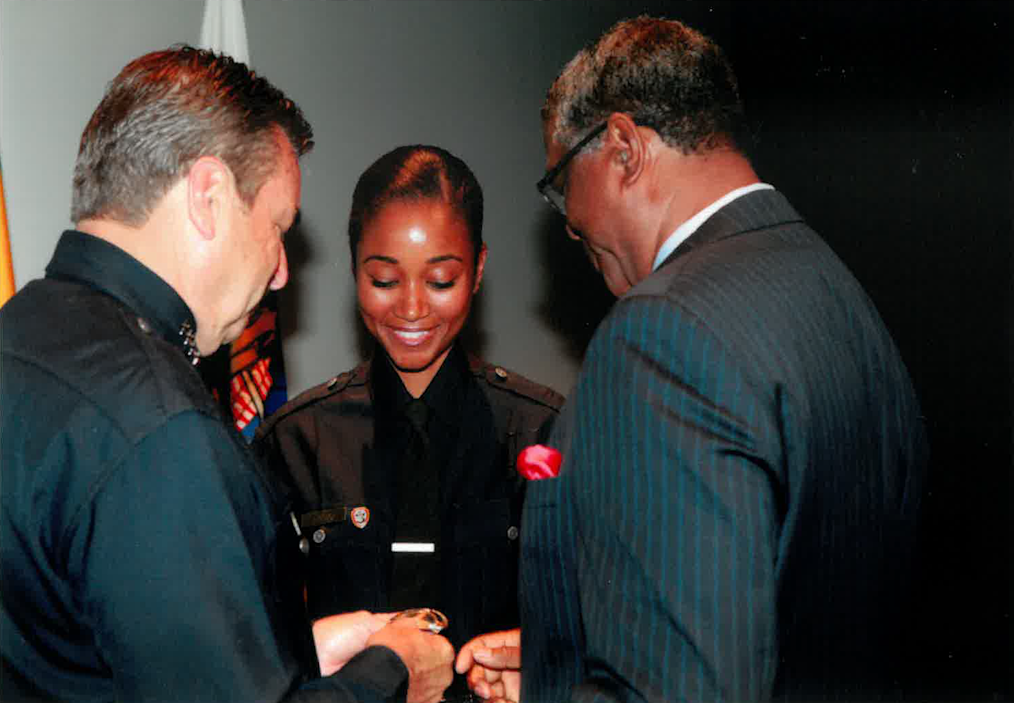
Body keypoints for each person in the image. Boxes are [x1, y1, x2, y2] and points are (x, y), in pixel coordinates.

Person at [456, 15, 929, 703]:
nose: (569, 222)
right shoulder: (839, 295)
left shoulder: (659, 334)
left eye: (561, 183)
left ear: (622, 148)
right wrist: (575, 662)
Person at [0, 46, 454, 703]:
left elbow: (85, 647)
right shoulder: (158, 428)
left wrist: (292, 652)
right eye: (277, 227)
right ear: (209, 196)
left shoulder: (20, 336)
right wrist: (392, 670)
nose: (281, 272)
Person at [255, 145, 564, 698]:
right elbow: (260, 644)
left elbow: (594, 622)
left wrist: (543, 664)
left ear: (479, 270)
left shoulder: (543, 430)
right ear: (353, 270)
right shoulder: (297, 441)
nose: (413, 308)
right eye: (384, 280)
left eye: (441, 280)